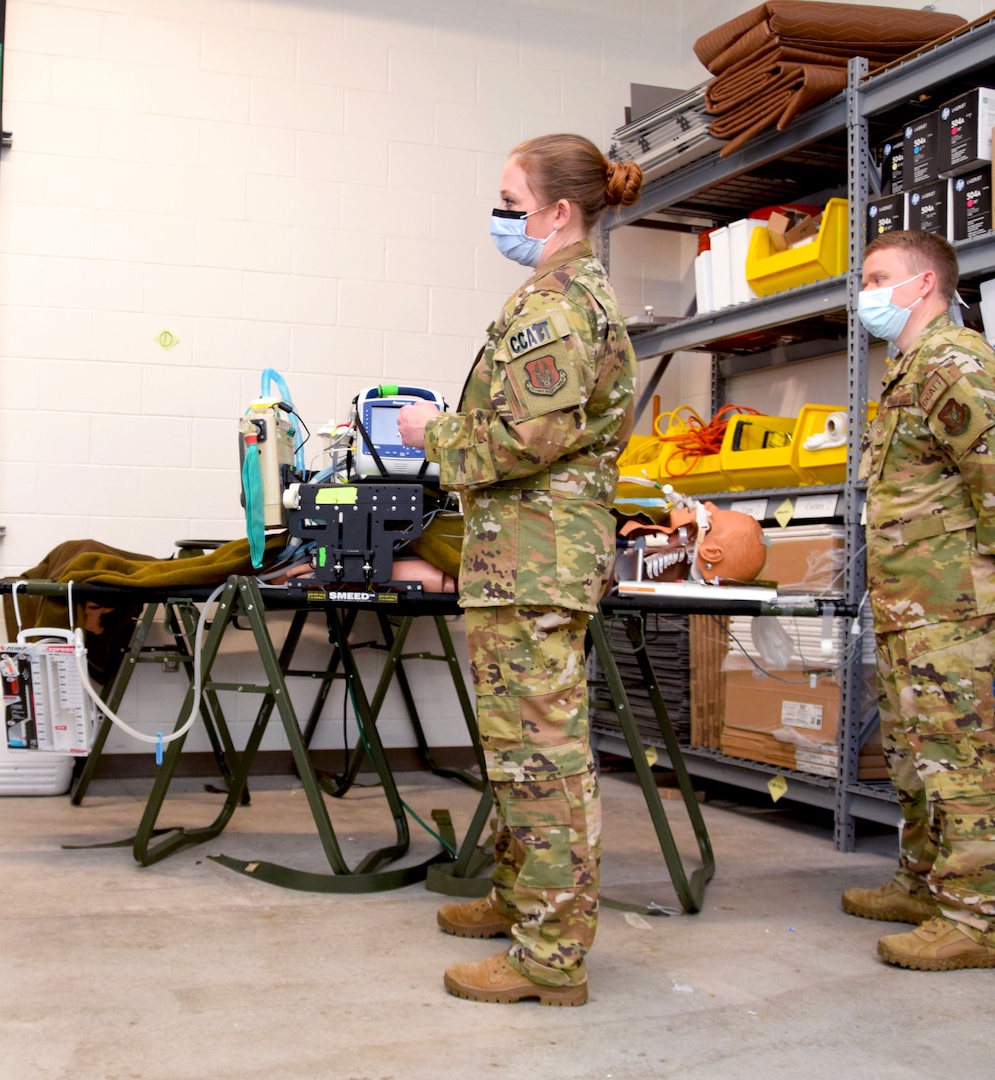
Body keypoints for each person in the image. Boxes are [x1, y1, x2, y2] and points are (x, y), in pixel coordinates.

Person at [397, 134, 641, 1005]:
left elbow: (521, 438)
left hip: (535, 561)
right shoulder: (567, 294)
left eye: (509, 198)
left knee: (542, 763)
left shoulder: (559, 305)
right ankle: (519, 901)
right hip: (529, 558)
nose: (499, 213)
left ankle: (551, 960)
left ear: (558, 210)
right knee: (521, 756)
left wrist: (435, 434)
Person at [842, 230, 995, 971]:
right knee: (911, 752)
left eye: (877, 277)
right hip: (906, 600)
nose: (864, 291)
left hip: (950, 598)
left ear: (923, 285)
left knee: (959, 757)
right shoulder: (908, 368)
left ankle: (975, 918)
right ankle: (926, 884)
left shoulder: (955, 360)